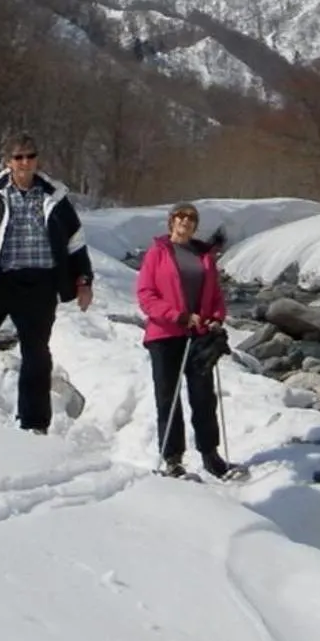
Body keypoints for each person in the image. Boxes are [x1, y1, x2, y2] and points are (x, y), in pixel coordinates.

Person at [0, 134, 93, 432]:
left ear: (37, 160)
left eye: (30, 156)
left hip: (40, 283)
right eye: (19, 157)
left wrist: (84, 281)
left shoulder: (55, 196)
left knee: (36, 351)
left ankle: (34, 423)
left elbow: (76, 242)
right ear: (8, 161)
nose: (25, 163)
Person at [133, 203, 242, 479]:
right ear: (171, 222)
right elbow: (146, 296)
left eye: (191, 218)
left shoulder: (203, 255)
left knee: (203, 397)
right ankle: (173, 459)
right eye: (180, 216)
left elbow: (215, 295)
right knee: (168, 398)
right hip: (165, 334)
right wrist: (178, 316)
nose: (185, 221)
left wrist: (216, 317)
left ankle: (211, 455)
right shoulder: (157, 252)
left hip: (200, 335)